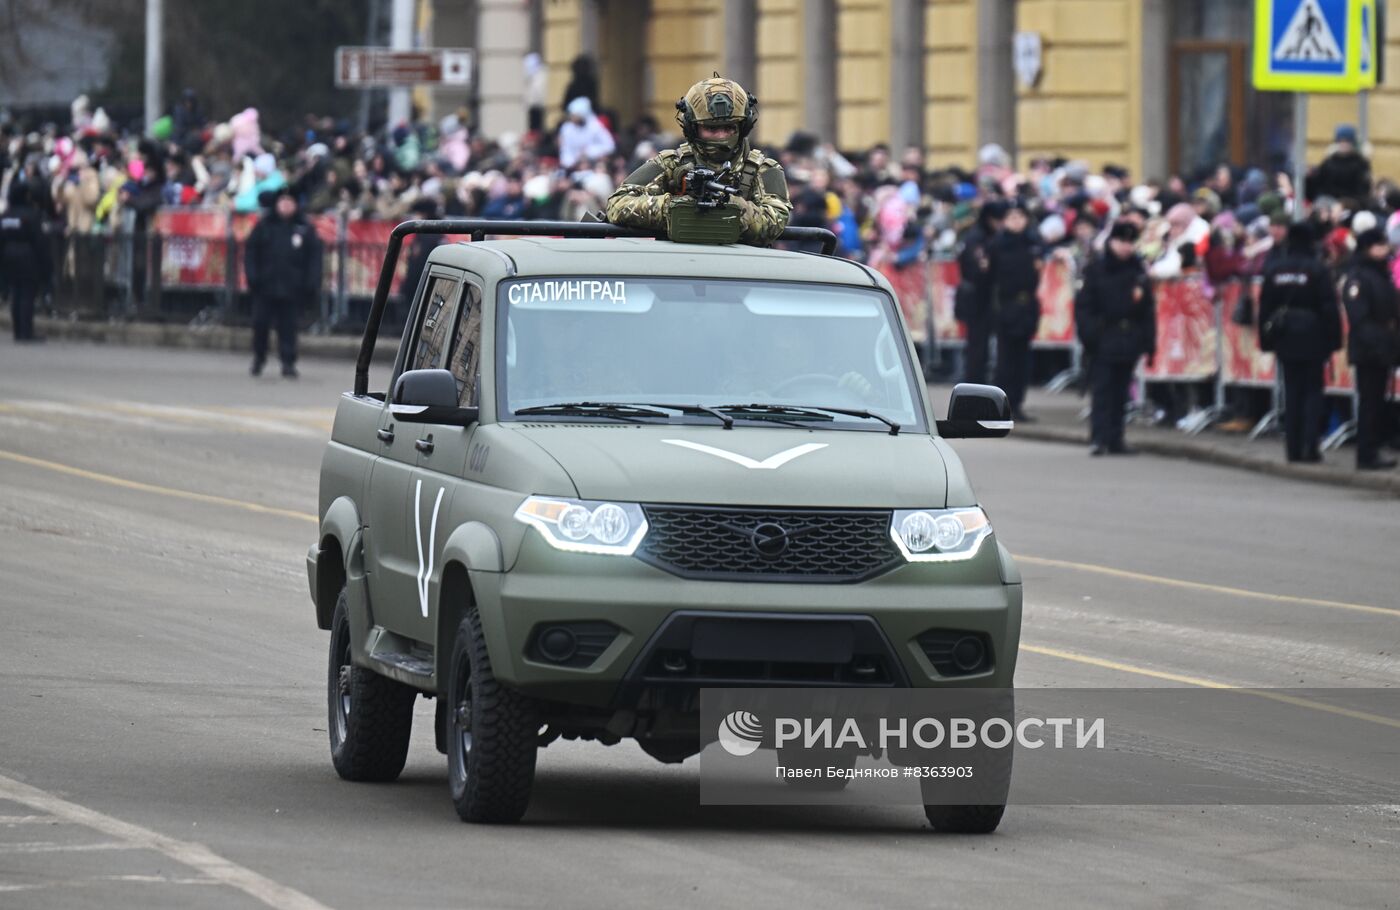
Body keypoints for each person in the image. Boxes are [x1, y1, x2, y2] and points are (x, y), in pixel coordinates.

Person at [606, 76, 791, 246]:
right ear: (692, 128)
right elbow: (617, 204)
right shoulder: (671, 163)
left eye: (729, 128)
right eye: (711, 128)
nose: (721, 136)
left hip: (741, 270)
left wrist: (731, 206)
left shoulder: (764, 169)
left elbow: (776, 220)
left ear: (743, 127)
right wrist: (674, 207)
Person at [1257, 223, 1342, 464]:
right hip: (1313, 334)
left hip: (1285, 335)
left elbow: (1265, 308)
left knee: (1292, 392)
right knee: (1313, 393)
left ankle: (1292, 449)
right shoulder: (1317, 269)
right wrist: (1334, 340)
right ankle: (1310, 448)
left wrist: (1265, 341)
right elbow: (1329, 307)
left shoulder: (1275, 269)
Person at [1075, 221, 1155, 456]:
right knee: (1103, 390)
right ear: (1111, 242)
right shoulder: (1097, 269)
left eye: (1130, 242)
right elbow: (1084, 307)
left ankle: (1116, 437)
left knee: (1121, 391)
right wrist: (1091, 336)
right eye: (1121, 241)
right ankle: (1099, 437)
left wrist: (1148, 341)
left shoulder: (1138, 270)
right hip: (1104, 336)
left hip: (1129, 337)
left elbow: (1147, 309)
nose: (1126, 247)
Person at [243, 186, 322, 378]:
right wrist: (253, 277)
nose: (286, 206)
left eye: (290, 202)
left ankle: (288, 362)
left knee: (288, 327)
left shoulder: (304, 227)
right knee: (260, 324)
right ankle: (259, 358)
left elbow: (314, 258)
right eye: (282, 202)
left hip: (292, 286)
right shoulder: (264, 225)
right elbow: (251, 252)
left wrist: (311, 282)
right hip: (266, 285)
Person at [1342, 228, 1400, 470]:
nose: (1385, 249)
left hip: (1383, 347)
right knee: (1370, 402)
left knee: (1377, 402)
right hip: (1369, 350)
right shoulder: (1359, 277)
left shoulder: (1380, 274)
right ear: (1369, 248)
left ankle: (1373, 449)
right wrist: (1379, 342)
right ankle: (1366, 453)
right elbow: (1360, 317)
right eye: (1380, 245)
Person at [990, 203, 1042, 421]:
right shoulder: (998, 245)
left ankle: (1018, 404)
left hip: (1026, 306)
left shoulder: (1032, 244)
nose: (1016, 221)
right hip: (1006, 305)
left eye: (1020, 216)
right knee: (1005, 361)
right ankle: (1002, 406)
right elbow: (990, 279)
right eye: (1012, 217)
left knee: (1022, 361)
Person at [955, 199, 1006, 384]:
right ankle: (974, 383)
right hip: (976, 298)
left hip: (986, 297)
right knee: (977, 346)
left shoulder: (986, 236)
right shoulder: (976, 238)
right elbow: (976, 269)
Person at [0, 181, 52, 343]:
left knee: (16, 293)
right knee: (27, 295)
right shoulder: (31, 215)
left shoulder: (6, 216)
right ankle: (26, 331)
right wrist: (45, 264)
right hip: (27, 256)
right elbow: (39, 240)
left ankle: (17, 330)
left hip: (9, 256)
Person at [1310, 125, 1372, 204]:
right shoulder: (1329, 162)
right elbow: (1319, 185)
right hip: (1329, 202)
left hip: (1353, 203)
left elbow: (1363, 190)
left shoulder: (1360, 164)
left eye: (1347, 141)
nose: (1344, 144)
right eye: (1341, 141)